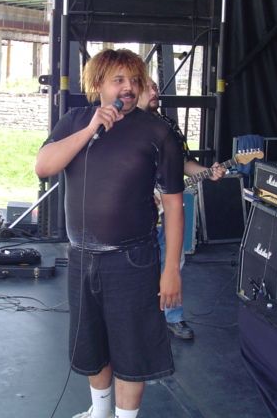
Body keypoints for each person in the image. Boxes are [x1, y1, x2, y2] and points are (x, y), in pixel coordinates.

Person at [35, 49, 185, 418]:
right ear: (98, 83)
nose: (128, 88)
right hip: (81, 256)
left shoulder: (157, 132)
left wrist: (171, 270)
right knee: (92, 345)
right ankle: (100, 413)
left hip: (132, 260)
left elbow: (174, 205)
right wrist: (91, 129)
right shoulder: (75, 120)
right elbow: (43, 166)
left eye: (134, 80)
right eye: (119, 80)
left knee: (132, 351)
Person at [138, 78, 225, 340]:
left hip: (168, 211)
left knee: (173, 261)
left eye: (156, 87)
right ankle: (139, 319)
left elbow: (185, 163)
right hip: (136, 214)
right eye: (149, 88)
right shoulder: (124, 127)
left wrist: (208, 172)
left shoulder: (169, 126)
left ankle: (172, 316)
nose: (155, 91)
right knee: (138, 267)